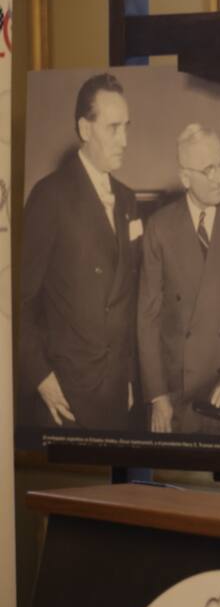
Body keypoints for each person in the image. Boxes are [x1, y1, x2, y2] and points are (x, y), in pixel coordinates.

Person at [19, 73, 141, 430]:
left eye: (127, 127)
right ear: (85, 129)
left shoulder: (129, 199)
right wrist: (40, 377)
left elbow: (129, 297)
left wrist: (129, 375)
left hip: (117, 390)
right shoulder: (49, 196)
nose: (125, 140)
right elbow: (19, 299)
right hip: (67, 395)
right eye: (113, 128)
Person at [138, 124, 220, 434]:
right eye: (208, 169)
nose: (219, 176)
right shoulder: (160, 228)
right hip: (177, 394)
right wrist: (158, 396)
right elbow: (148, 319)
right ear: (185, 177)